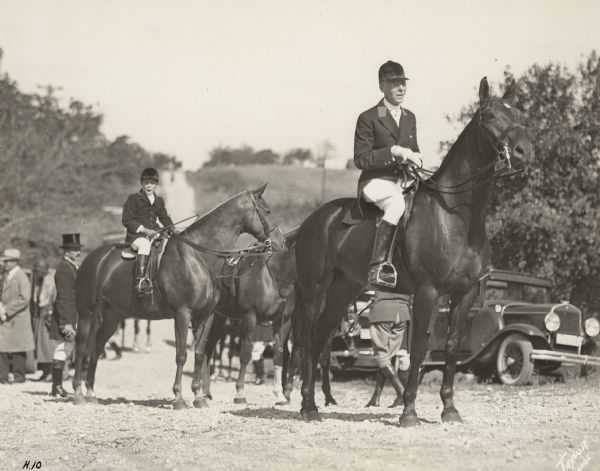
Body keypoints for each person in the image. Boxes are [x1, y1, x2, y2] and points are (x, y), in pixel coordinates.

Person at [354, 60, 422, 288]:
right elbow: (361, 158)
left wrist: (417, 160)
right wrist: (392, 152)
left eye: (403, 83)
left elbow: (414, 150)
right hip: (376, 182)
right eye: (394, 84)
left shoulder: (409, 117)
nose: (401, 88)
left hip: (403, 182)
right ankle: (378, 265)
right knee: (396, 204)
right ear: (382, 86)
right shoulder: (370, 117)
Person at [122, 167, 174, 296]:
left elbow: (164, 217)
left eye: (152, 183)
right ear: (142, 184)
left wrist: (170, 227)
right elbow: (127, 220)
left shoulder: (159, 200)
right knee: (145, 245)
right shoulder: (133, 198)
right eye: (146, 183)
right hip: (136, 236)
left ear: (156, 185)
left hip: (154, 234)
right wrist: (145, 230)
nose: (149, 185)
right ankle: (141, 280)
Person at [364, 290, 411, 408]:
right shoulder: (406, 272)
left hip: (382, 312)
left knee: (382, 357)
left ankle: (402, 393)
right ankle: (376, 398)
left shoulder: (380, 271)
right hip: (402, 313)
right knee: (387, 357)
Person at [49, 234, 82, 397]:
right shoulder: (63, 268)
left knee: (65, 350)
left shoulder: (72, 266)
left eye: (78, 249)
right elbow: (63, 298)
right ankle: (56, 387)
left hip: (70, 315)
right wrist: (66, 323)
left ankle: (57, 386)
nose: (78, 253)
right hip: (65, 317)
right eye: (75, 250)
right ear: (67, 251)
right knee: (61, 349)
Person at [0, 248, 35, 384]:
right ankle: (2, 377)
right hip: (7, 317)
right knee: (2, 347)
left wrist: (6, 309)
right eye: (5, 261)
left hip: (17, 318)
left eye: (8, 261)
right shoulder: (6, 275)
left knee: (18, 349)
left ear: (15, 262)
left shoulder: (21, 277)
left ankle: (19, 377)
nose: (5, 264)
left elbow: (24, 298)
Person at [32, 260, 57, 381]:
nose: (37, 273)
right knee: (41, 345)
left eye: (39, 271)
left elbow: (54, 298)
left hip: (48, 314)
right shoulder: (39, 281)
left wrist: (51, 312)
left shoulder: (52, 280)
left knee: (49, 345)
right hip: (40, 314)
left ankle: (53, 373)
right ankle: (45, 371)